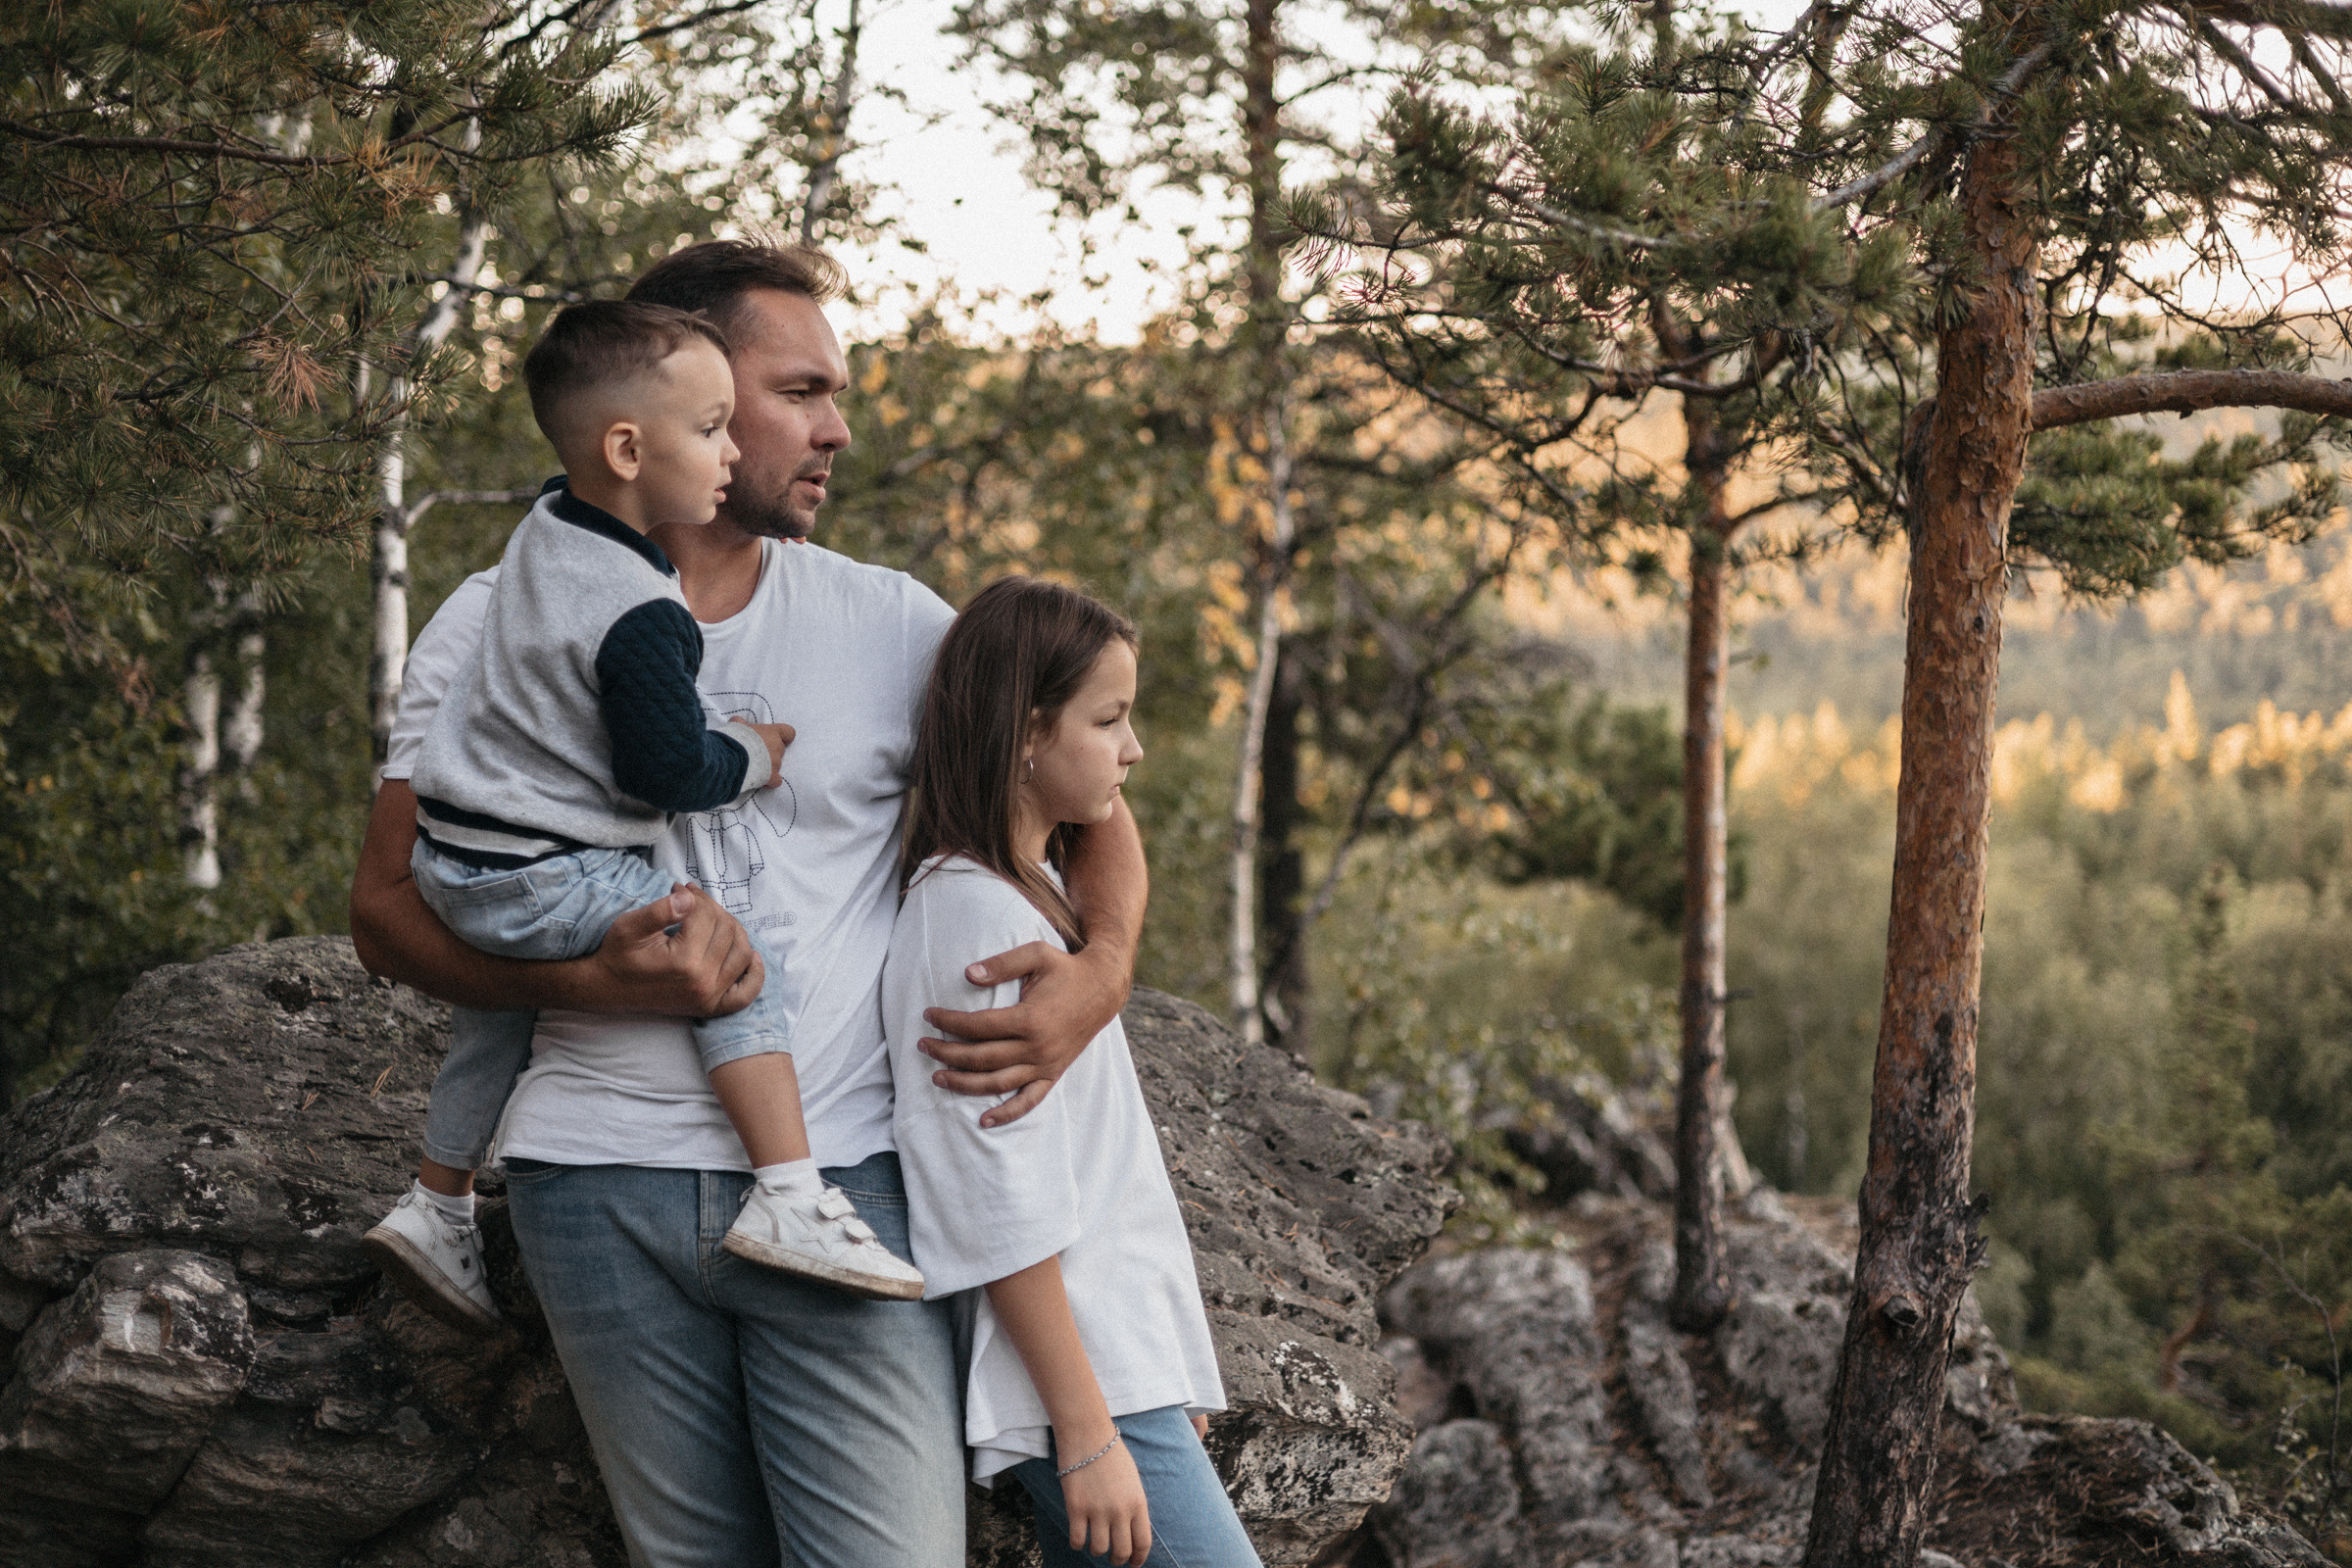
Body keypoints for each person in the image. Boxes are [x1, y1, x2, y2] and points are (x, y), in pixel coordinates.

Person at [347, 239, 1148, 1568]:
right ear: (671, 412)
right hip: (593, 1188)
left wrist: (1101, 972)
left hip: (845, 1185)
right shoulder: (495, 617)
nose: (837, 429)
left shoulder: (893, 626)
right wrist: (600, 986)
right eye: (799, 392)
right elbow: (386, 912)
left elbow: (1096, 805)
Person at [364, 300, 921, 1330]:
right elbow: (668, 767)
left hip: (466, 865)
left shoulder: (546, 527)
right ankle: (793, 1192)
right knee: (728, 956)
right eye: (715, 426)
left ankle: (436, 1198)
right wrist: (754, 754)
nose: (733, 448)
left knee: (501, 1004)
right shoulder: (643, 610)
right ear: (628, 447)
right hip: (548, 868)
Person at [884, 577, 1259, 1568]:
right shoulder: (972, 920)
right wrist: (1089, 1429)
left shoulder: (1032, 891)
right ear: (1027, 736)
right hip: (1081, 1396)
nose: (1133, 749)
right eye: (1111, 719)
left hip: (1119, 1378)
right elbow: (989, 1197)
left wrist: (1159, 1375)